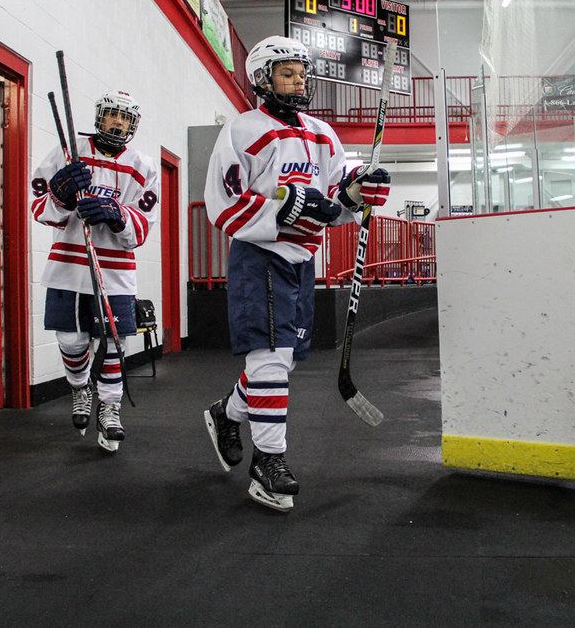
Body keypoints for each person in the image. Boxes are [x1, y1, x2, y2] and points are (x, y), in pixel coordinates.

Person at [202, 36, 391, 511]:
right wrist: (284, 209)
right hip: (258, 258)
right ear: (262, 78)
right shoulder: (243, 130)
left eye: (302, 73)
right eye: (288, 72)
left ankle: (225, 413)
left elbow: (334, 203)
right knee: (267, 362)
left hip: (303, 263)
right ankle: (269, 461)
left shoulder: (323, 134)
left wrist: (358, 194)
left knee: (280, 365)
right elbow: (223, 205)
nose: (299, 80)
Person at [31, 90, 159, 452]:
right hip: (67, 269)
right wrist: (60, 196)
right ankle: (79, 387)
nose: (117, 123)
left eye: (125, 118)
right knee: (72, 341)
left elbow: (144, 226)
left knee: (115, 346)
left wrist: (117, 215)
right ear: (99, 117)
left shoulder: (143, 166)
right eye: (111, 115)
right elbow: (39, 207)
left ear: (132, 125)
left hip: (115, 273)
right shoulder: (68, 152)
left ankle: (111, 408)